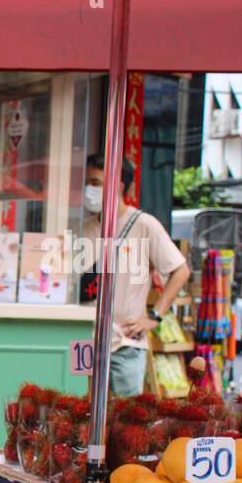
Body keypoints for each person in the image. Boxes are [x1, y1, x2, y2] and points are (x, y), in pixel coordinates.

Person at [82, 154, 191, 396]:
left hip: (125, 345)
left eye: (96, 183)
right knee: (84, 420)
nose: (89, 189)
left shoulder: (144, 225)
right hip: (85, 344)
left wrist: (154, 316)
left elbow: (180, 271)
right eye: (88, 182)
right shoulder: (86, 227)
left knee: (125, 424)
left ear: (118, 187)